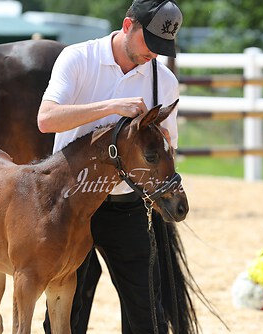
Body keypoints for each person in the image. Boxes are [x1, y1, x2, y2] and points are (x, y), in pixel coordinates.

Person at [37, 0, 191, 332]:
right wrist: (111, 107)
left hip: (127, 205)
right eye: (149, 42)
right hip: (73, 205)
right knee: (66, 309)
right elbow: (46, 119)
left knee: (146, 310)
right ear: (127, 25)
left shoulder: (163, 82)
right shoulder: (79, 58)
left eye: (162, 47)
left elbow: (169, 147)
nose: (154, 53)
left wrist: (158, 138)